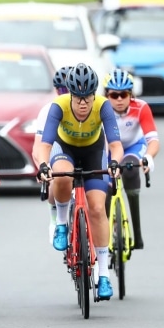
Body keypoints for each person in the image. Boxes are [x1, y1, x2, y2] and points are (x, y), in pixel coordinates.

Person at [37, 63, 123, 300]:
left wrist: (114, 163)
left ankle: (104, 275)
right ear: (70, 95)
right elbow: (45, 145)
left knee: (97, 208)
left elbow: (115, 145)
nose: (83, 103)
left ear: (94, 94)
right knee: (62, 175)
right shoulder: (59, 106)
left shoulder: (103, 105)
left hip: (93, 152)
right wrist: (44, 165)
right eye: (78, 98)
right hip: (65, 150)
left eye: (88, 98)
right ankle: (62, 223)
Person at [102, 69, 159, 250]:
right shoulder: (101, 109)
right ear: (106, 95)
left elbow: (153, 140)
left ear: (131, 94)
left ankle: (137, 233)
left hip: (133, 147)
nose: (119, 99)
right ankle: (105, 233)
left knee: (131, 169)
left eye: (124, 94)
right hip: (109, 149)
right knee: (104, 185)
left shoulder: (141, 107)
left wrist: (149, 157)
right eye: (114, 95)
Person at [32, 65, 73, 244]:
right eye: (61, 89)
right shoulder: (48, 110)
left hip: (81, 149)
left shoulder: (84, 106)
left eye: (68, 89)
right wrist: (42, 167)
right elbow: (38, 146)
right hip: (56, 148)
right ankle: (54, 219)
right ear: (56, 90)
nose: (65, 93)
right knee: (55, 180)